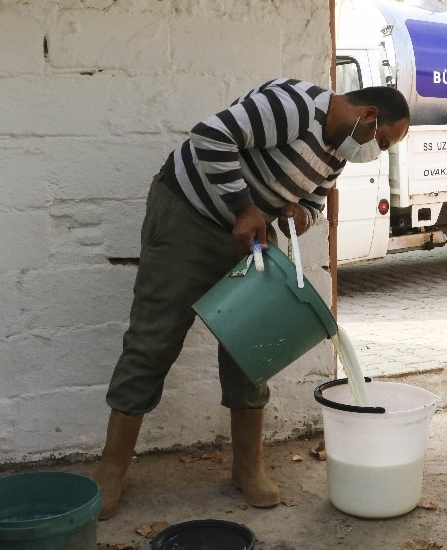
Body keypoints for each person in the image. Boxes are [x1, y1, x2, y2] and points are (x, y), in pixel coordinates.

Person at [95, 77, 410, 518]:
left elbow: (315, 202)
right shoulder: (295, 107)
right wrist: (246, 207)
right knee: (153, 343)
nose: (380, 150)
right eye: (385, 140)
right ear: (368, 115)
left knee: (253, 348)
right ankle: (111, 471)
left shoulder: (339, 150)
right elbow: (210, 135)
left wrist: (300, 213)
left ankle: (247, 468)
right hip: (189, 218)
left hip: (252, 238)